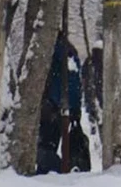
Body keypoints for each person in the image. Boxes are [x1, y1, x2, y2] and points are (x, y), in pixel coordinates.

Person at [36, 34, 85, 175]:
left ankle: (48, 172)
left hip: (52, 106)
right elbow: (76, 85)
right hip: (67, 107)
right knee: (52, 144)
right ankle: (59, 169)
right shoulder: (71, 54)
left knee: (45, 145)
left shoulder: (51, 52)